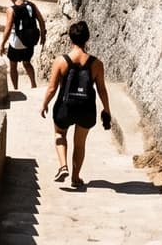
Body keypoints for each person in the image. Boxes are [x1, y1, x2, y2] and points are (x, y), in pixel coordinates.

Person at [39, 21, 112, 188]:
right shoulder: (96, 64)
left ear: (70, 38)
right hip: (86, 109)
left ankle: (63, 165)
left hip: (65, 106)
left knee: (59, 134)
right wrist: (107, 110)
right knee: (80, 144)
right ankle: (75, 177)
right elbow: (102, 90)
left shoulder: (61, 61)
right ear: (87, 39)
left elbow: (52, 88)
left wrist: (44, 104)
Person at [0, 0, 45, 91]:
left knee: (13, 66)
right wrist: (43, 35)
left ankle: (15, 89)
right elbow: (41, 21)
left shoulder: (11, 9)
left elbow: (8, 28)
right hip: (30, 40)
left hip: (17, 42)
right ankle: (33, 85)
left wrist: (2, 44)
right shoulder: (31, 5)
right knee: (27, 63)